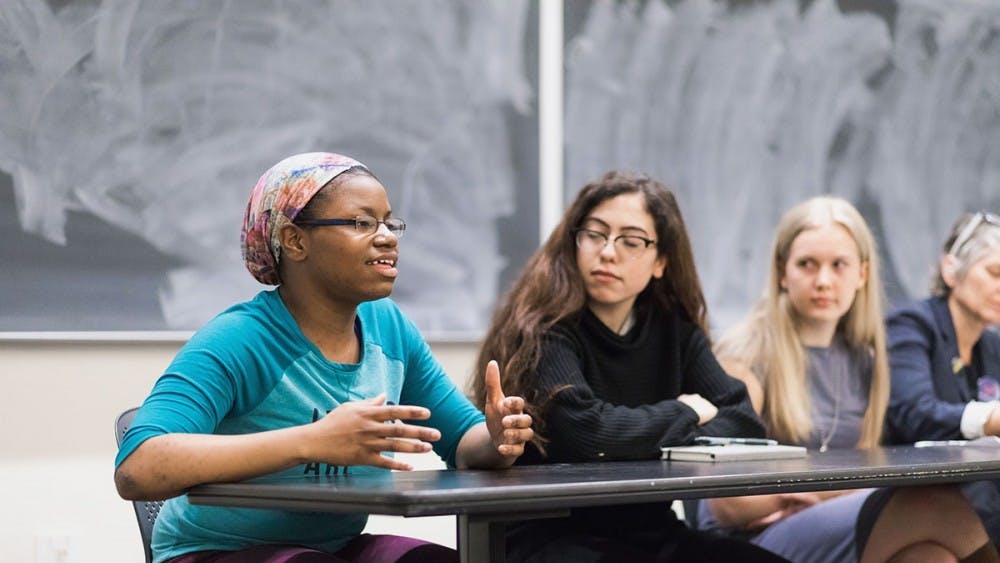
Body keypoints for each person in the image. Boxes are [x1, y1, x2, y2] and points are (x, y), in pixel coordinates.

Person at [114, 152, 534, 563]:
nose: (387, 235)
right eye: (361, 222)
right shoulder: (240, 339)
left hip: (331, 546)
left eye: (389, 222)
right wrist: (312, 441)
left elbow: (463, 441)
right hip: (211, 549)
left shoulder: (389, 328)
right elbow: (138, 466)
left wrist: (497, 439)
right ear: (295, 240)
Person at [472, 170, 786, 562]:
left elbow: (742, 420)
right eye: (595, 234)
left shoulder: (676, 333)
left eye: (631, 241)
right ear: (574, 243)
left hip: (651, 533)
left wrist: (637, 435)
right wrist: (686, 411)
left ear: (660, 262)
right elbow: (590, 436)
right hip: (551, 537)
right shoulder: (544, 330)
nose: (607, 252)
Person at [701, 196, 998, 563]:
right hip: (748, 539)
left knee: (931, 555)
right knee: (941, 504)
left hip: (825, 522)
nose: (823, 281)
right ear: (782, 271)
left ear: (862, 273)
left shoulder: (866, 361)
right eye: (807, 264)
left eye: (839, 265)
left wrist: (818, 494)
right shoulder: (745, 357)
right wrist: (832, 491)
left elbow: (866, 474)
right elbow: (730, 503)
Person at [886, 210, 1000, 542]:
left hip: (981, 493)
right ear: (952, 270)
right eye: (994, 272)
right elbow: (913, 413)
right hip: (919, 496)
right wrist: (990, 418)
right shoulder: (911, 325)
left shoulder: (991, 344)